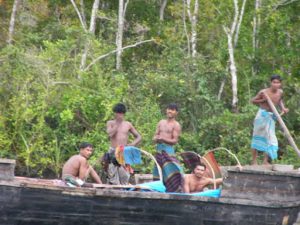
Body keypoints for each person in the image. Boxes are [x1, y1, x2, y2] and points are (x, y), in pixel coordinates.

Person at [250, 75, 289, 165]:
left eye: (278, 82)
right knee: (256, 137)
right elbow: (253, 101)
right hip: (261, 116)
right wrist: (263, 99)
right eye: (274, 82)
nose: (276, 84)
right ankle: (254, 161)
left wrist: (283, 108)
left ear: (280, 84)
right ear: (271, 83)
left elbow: (279, 101)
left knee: (270, 138)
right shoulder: (264, 92)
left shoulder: (280, 92)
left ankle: (265, 161)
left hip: (271, 116)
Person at [103, 103, 142, 185]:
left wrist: (132, 144)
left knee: (124, 176)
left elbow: (138, 137)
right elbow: (110, 134)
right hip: (113, 151)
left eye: (120, 113)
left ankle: (124, 190)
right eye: (117, 113)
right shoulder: (110, 123)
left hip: (124, 152)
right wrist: (117, 124)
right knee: (112, 176)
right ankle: (112, 190)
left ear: (123, 113)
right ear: (114, 113)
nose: (118, 115)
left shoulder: (128, 124)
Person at [152, 103, 184, 192]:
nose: (170, 111)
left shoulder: (176, 125)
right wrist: (156, 139)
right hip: (158, 150)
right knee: (158, 170)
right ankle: (158, 190)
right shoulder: (161, 122)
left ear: (176, 113)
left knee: (172, 169)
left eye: (172, 110)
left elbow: (174, 141)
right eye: (168, 109)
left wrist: (163, 139)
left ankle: (176, 189)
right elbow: (155, 136)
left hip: (168, 150)